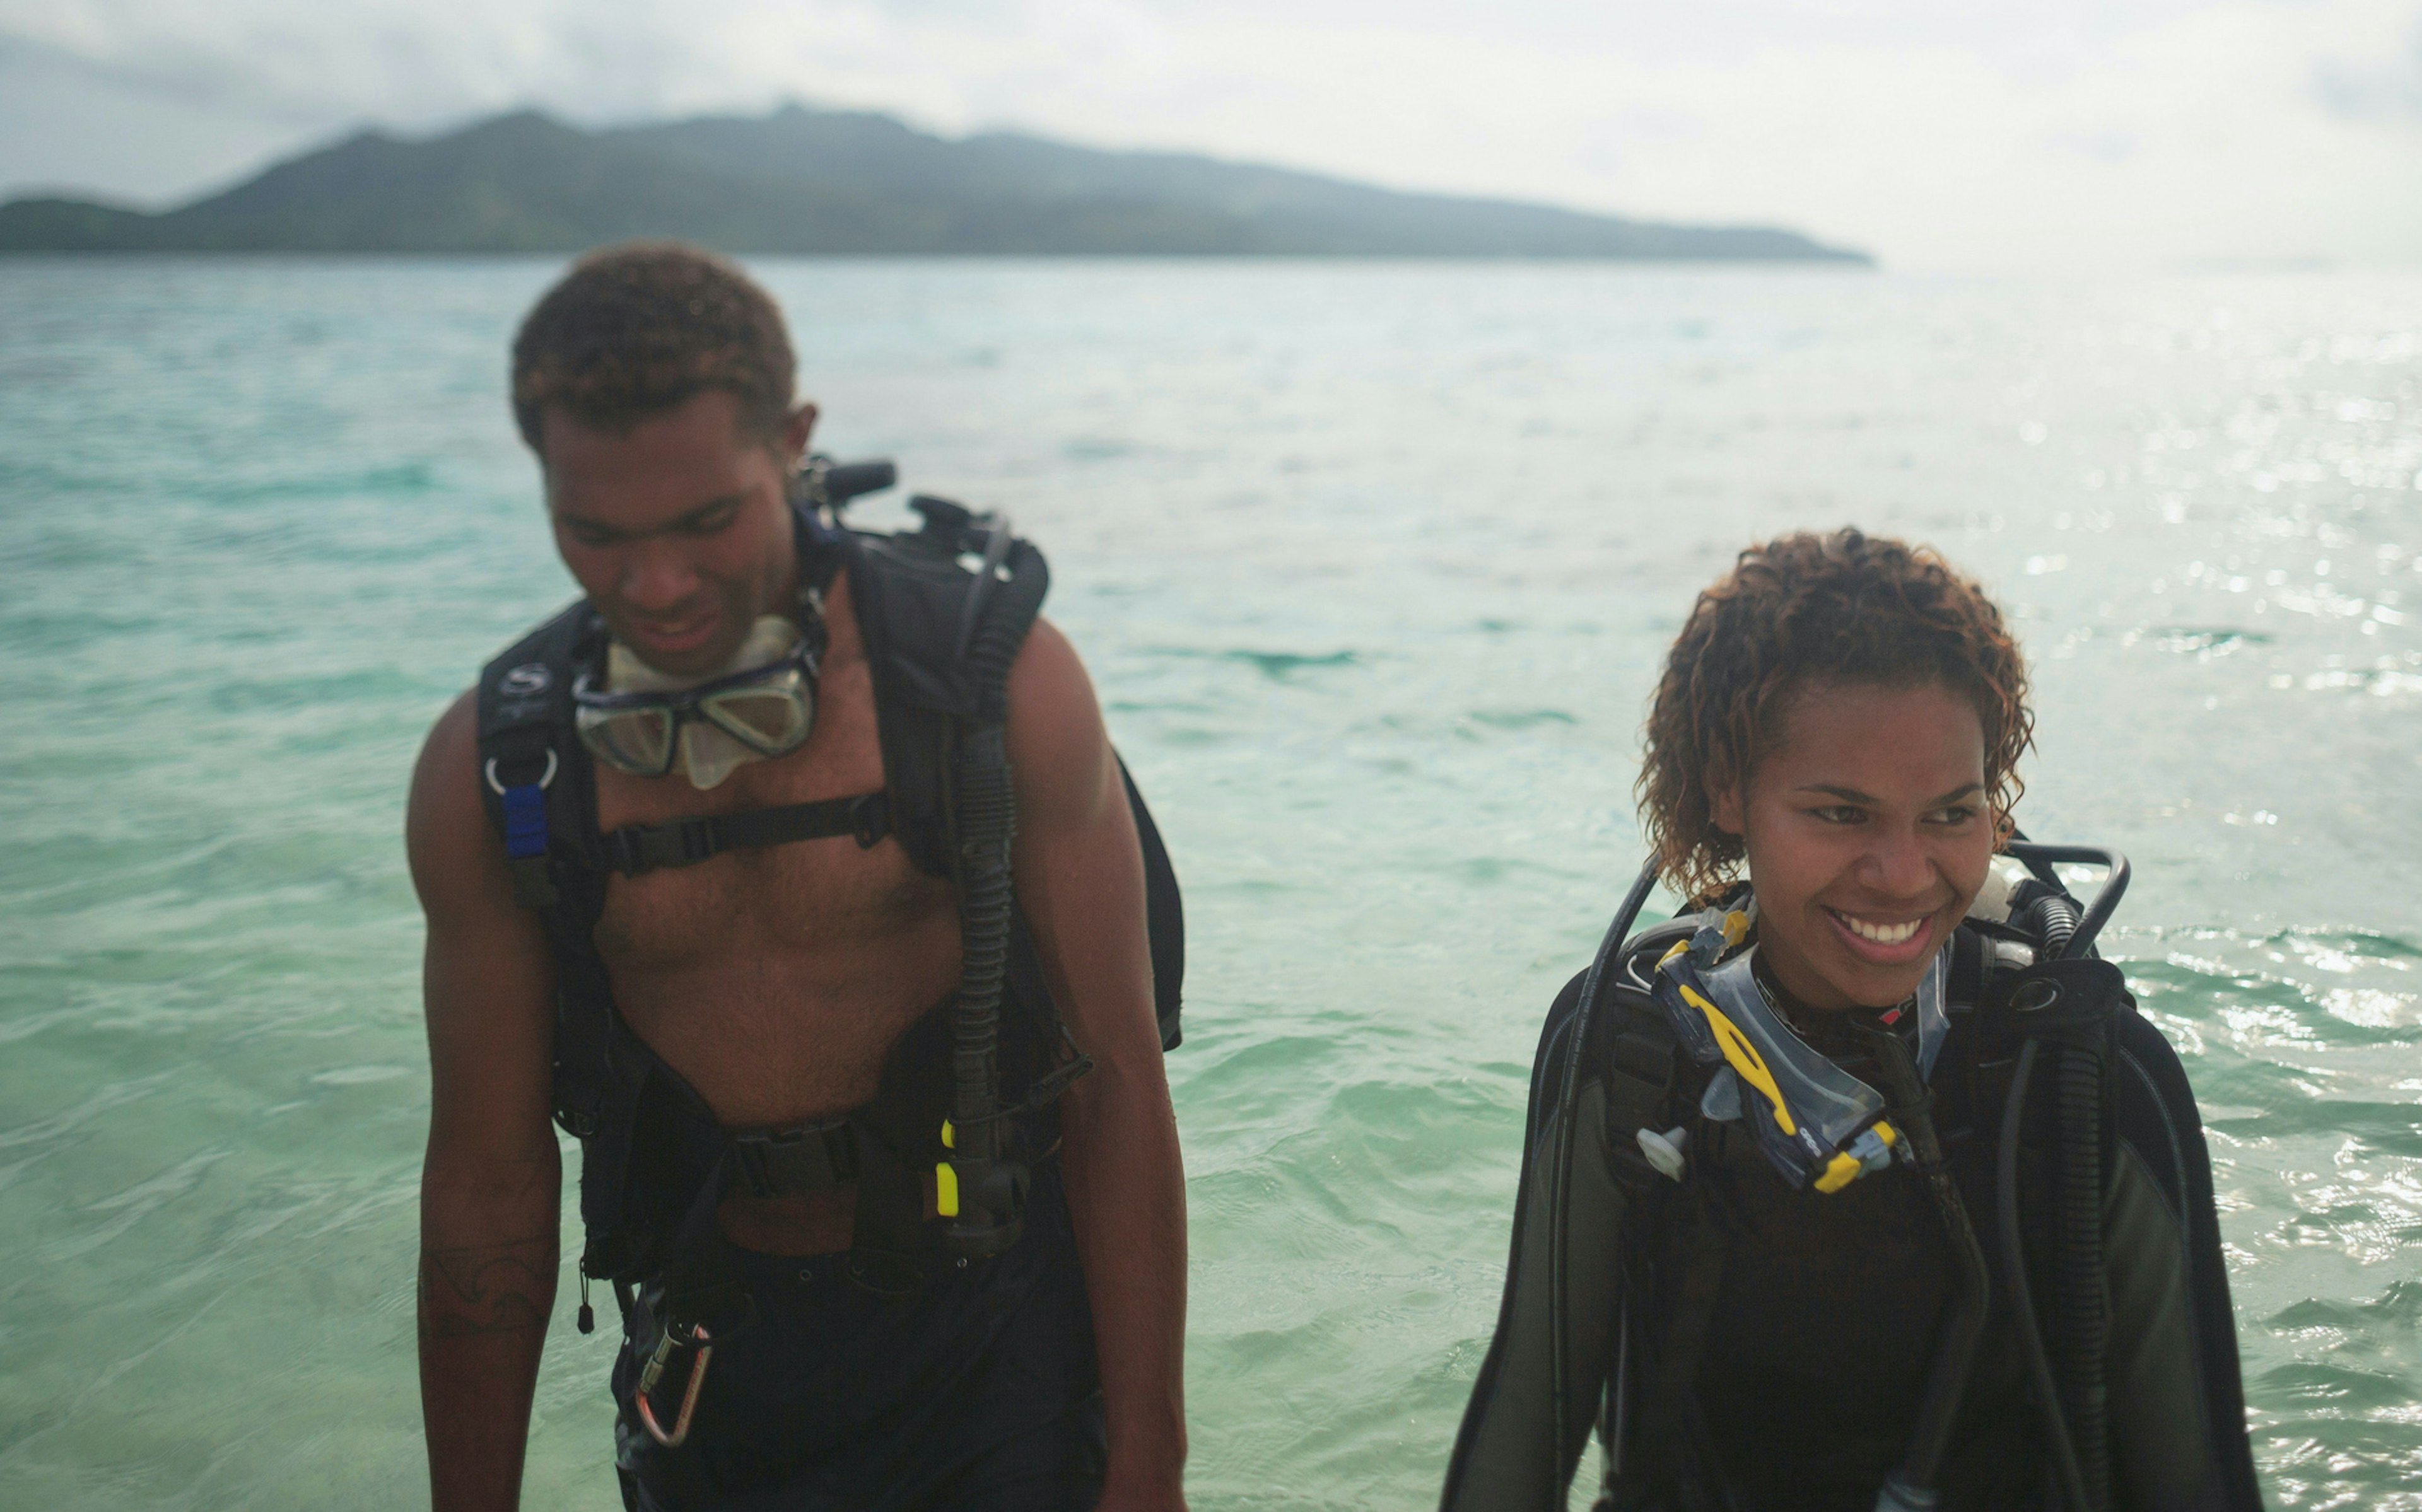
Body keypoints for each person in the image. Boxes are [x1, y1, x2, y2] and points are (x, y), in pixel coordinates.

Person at [407, 243, 1189, 1511]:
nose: (653, 587)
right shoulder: (498, 772)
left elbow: (1114, 1075)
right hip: (714, 1349)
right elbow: (489, 1186)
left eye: (706, 521)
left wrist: (1151, 1462)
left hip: (998, 1336)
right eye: (593, 534)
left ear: (794, 441)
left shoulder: (994, 688)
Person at [1440, 530, 2262, 1512]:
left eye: (1951, 813)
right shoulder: (1630, 1047)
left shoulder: (2083, 1068)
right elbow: (1524, 1426)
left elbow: (2200, 1481)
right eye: (1842, 814)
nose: (1905, 873)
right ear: (1726, 789)